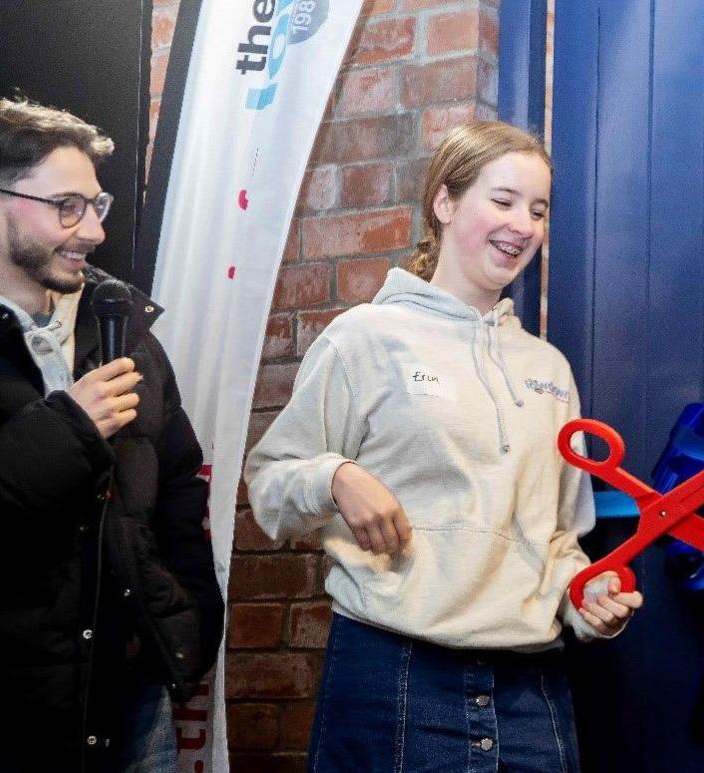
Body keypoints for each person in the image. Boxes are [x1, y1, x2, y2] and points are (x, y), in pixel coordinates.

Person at [245, 120, 642, 771]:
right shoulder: (367, 337)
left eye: (538, 209)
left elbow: (560, 539)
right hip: (394, 678)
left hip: (533, 693)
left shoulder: (547, 367)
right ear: (446, 202)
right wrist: (338, 475)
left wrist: (586, 600)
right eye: (504, 200)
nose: (523, 224)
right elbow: (270, 485)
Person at [0, 97, 223, 772]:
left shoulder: (121, 330)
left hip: (133, 714)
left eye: (96, 205)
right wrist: (68, 428)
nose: (93, 232)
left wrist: (189, 627)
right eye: (66, 206)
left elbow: (175, 491)